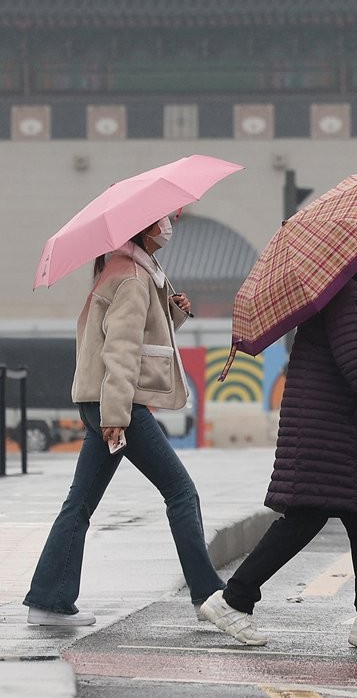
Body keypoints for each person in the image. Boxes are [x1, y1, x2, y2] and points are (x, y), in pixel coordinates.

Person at [201, 243, 357, 649]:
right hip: (332, 429)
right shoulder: (342, 295)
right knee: (306, 516)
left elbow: (352, 342)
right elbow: (354, 359)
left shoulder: (351, 294)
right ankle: (233, 600)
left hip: (346, 429)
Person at [24, 216, 225, 626]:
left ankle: (49, 600)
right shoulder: (133, 277)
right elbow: (121, 351)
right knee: (181, 492)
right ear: (145, 230)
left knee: (79, 503)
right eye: (162, 222)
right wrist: (116, 416)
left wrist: (173, 311)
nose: (168, 228)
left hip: (100, 400)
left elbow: (132, 334)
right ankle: (209, 595)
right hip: (118, 404)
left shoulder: (118, 269)